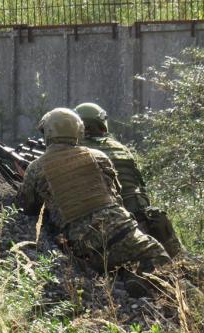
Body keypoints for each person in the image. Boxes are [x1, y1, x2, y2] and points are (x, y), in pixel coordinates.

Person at [17, 108, 171, 289]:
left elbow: (27, 207)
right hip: (125, 233)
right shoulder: (99, 156)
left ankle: (129, 282)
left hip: (88, 249)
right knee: (163, 263)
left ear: (48, 133)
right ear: (78, 132)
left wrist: (26, 179)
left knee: (116, 272)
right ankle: (147, 287)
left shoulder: (36, 167)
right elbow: (116, 195)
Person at [74, 102, 183, 258]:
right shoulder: (120, 148)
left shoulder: (77, 152)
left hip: (113, 224)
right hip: (142, 216)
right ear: (101, 124)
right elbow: (139, 183)